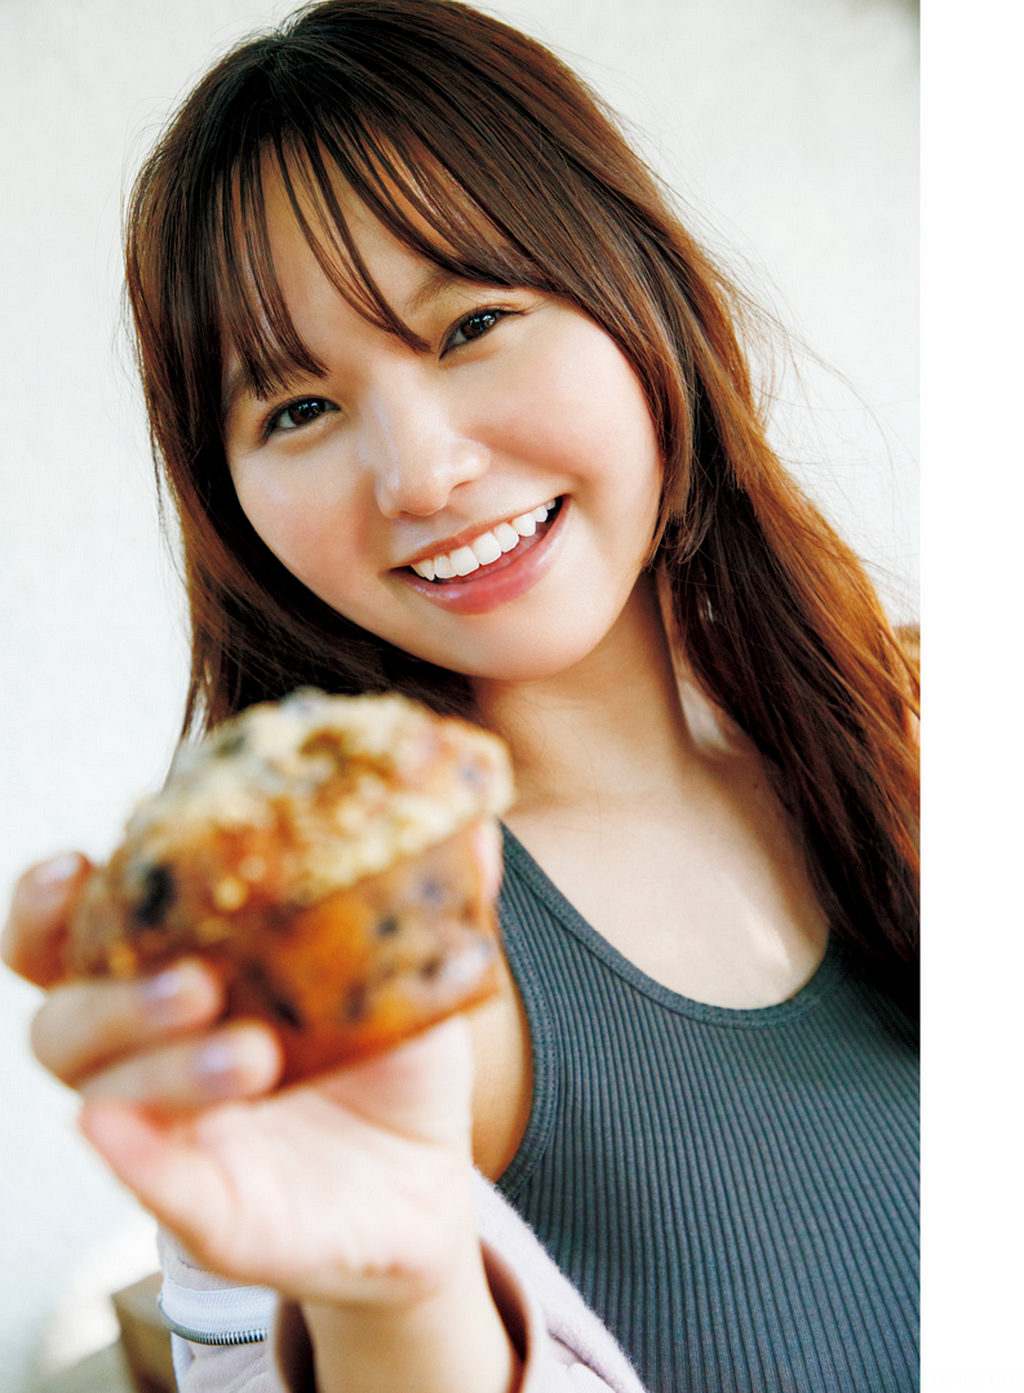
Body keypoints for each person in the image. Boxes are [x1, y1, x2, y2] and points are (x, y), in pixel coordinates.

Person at [1, 1, 919, 1389]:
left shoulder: (920, 727)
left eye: (473, 323)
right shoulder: (355, 975)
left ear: (642, 294)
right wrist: (395, 1303)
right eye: (296, 409)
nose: (420, 471)